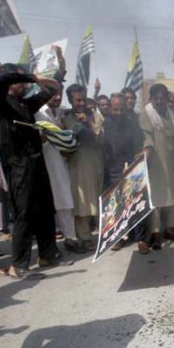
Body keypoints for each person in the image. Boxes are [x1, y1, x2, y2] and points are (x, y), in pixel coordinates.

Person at [0, 63, 69, 278]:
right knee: (24, 212)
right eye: (20, 80)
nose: (24, 84)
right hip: (18, 164)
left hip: (36, 161)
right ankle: (19, 264)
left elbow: (50, 91)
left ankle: (47, 254)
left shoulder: (24, 103)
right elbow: (3, 80)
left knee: (44, 207)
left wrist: (57, 77)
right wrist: (33, 77)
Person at [35, 87, 83, 253]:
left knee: (64, 200)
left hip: (60, 162)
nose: (56, 97)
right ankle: (50, 246)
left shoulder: (60, 113)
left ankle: (70, 238)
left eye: (59, 94)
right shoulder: (39, 113)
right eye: (52, 94)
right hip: (45, 163)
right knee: (49, 205)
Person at [102, 93, 149, 253]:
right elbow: (105, 148)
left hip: (132, 167)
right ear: (111, 108)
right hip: (113, 168)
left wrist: (132, 163)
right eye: (115, 110)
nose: (119, 113)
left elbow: (138, 146)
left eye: (121, 110)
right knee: (118, 206)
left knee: (136, 203)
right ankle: (119, 238)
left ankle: (141, 239)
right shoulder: (105, 124)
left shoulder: (132, 124)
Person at [140, 84, 174, 247]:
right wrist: (147, 150)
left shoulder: (171, 114)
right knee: (157, 197)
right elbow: (146, 135)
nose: (159, 101)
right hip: (156, 162)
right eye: (156, 98)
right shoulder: (146, 114)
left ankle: (171, 230)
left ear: (166, 99)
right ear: (151, 99)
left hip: (172, 161)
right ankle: (155, 232)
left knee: (173, 196)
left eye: (162, 98)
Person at [63, 83, 104, 252]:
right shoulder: (66, 117)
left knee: (96, 198)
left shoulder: (94, 115)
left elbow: (101, 138)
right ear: (71, 100)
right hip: (78, 162)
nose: (80, 103)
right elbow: (65, 142)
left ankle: (100, 233)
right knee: (82, 201)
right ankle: (85, 238)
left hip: (96, 161)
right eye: (77, 100)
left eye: (82, 99)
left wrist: (88, 122)